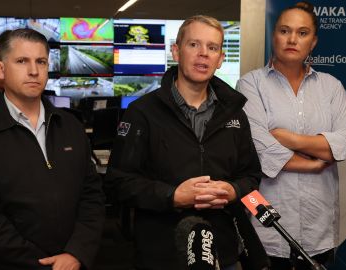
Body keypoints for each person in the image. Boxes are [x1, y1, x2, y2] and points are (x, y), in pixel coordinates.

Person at [106, 15, 269, 270]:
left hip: (223, 254)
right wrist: (173, 196)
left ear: (220, 59)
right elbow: (118, 183)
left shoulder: (235, 114)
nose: (203, 54)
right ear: (176, 51)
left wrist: (233, 191)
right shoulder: (142, 113)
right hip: (162, 256)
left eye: (212, 48)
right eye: (194, 45)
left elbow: (251, 175)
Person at [0, 29, 105, 270]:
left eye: (41, 61)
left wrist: (77, 253)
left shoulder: (71, 127)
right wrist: (43, 265)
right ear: (0, 70)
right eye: (22, 61)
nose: (34, 71)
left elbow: (92, 197)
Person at [236, 2, 346, 269]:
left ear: (313, 42)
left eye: (302, 33)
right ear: (274, 36)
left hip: (320, 230)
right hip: (266, 230)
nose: (292, 39)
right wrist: (315, 161)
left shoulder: (331, 86)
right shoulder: (251, 83)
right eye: (284, 30)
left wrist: (287, 138)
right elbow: (259, 147)